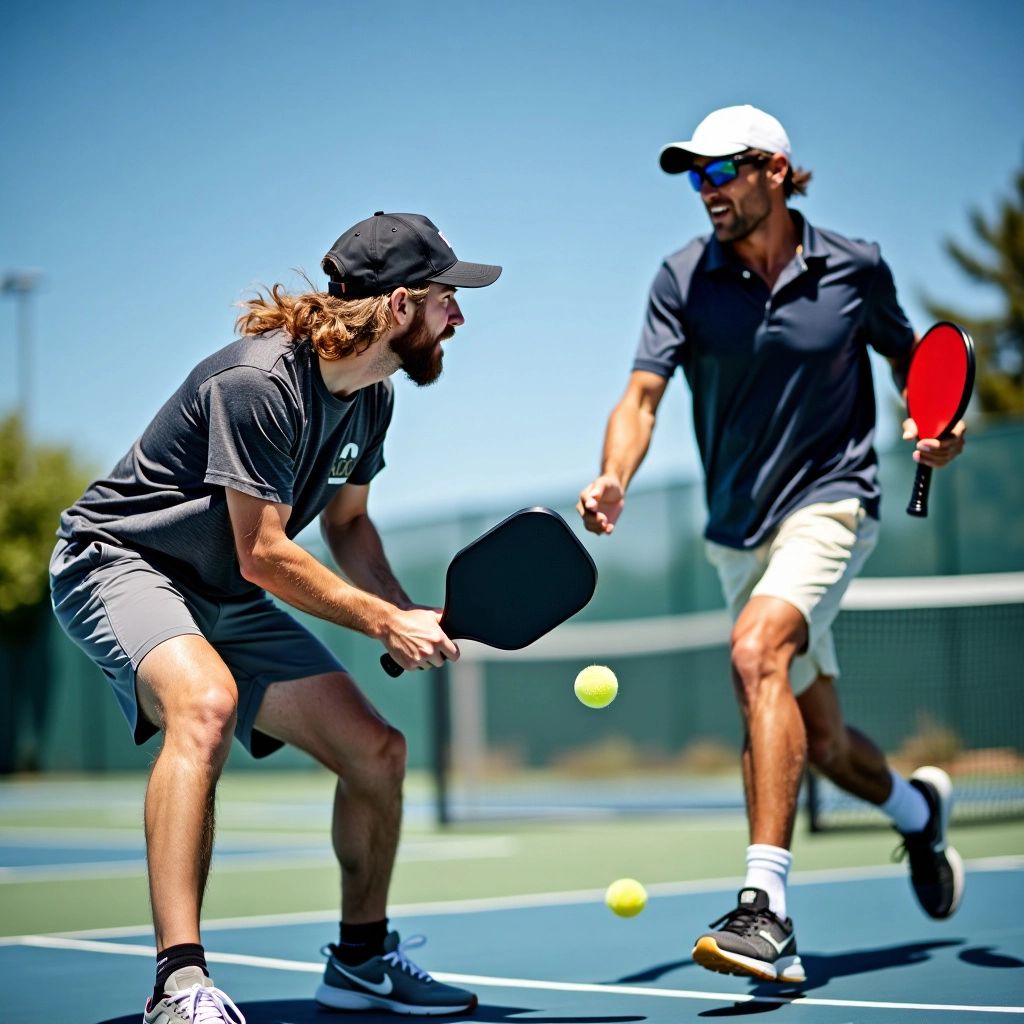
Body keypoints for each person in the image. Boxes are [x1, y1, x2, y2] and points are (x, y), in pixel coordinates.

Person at [50, 211, 501, 1021]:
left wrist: (403, 608)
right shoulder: (258, 384)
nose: (458, 318)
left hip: (225, 592)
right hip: (121, 563)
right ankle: (178, 984)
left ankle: (361, 962)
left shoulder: (373, 401)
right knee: (207, 703)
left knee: (379, 752)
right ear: (399, 306)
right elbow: (263, 549)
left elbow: (348, 524)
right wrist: (380, 624)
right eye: (446, 300)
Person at [577, 105, 966, 985]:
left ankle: (765, 911)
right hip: (736, 530)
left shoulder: (857, 268)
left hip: (833, 502)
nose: (706, 191)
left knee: (757, 654)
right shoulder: (682, 278)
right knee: (818, 739)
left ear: (776, 170)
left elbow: (915, 367)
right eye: (695, 176)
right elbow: (640, 398)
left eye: (722, 172)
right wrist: (614, 478)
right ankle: (917, 811)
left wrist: (938, 427)